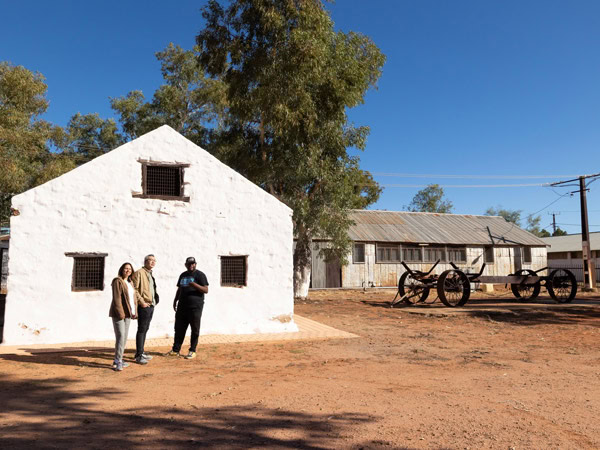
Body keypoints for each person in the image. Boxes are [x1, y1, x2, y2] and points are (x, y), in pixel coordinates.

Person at [166, 257, 209, 359]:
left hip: (195, 307)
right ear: (186, 265)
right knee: (179, 328)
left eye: (193, 264)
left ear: (195, 264)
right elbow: (179, 289)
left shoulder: (200, 275)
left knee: (194, 329)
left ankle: (192, 350)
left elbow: (205, 290)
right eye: (189, 264)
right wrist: (175, 300)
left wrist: (194, 284)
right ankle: (176, 350)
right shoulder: (183, 275)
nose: (191, 265)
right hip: (182, 306)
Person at [109, 262, 138, 371]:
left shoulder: (130, 283)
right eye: (126, 268)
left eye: (130, 269)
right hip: (119, 314)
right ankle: (117, 361)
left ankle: (119, 359)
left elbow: (132, 299)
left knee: (124, 337)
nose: (128, 270)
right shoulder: (117, 281)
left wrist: (134, 312)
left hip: (128, 314)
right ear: (122, 269)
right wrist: (121, 313)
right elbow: (117, 299)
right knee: (120, 336)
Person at [131, 254, 159, 364]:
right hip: (144, 306)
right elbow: (135, 289)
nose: (152, 262)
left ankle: (141, 352)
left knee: (145, 329)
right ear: (145, 261)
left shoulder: (149, 274)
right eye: (150, 260)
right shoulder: (139, 273)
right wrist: (142, 302)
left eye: (154, 261)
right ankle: (138, 355)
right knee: (141, 330)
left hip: (150, 305)